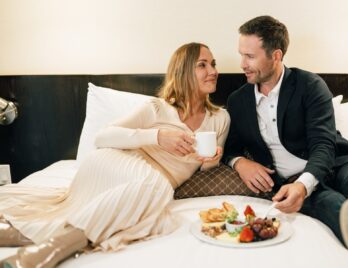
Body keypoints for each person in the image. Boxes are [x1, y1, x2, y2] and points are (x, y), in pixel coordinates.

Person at [0, 42, 230, 267]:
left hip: (146, 183)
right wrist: (157, 136)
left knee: (155, 190)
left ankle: (43, 243)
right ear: (183, 72)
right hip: (117, 162)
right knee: (157, 189)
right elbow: (102, 137)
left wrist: (213, 160)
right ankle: (49, 251)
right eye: (203, 65)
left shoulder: (220, 118)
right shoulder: (157, 108)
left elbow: (205, 167)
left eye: (213, 64)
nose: (213, 71)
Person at [223, 15, 348, 268]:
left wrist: (305, 184)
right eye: (241, 54)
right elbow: (229, 148)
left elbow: (323, 144)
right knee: (334, 206)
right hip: (288, 182)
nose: (242, 63)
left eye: (250, 57)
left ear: (276, 55)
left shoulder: (310, 85)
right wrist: (239, 162)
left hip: (340, 162)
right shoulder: (237, 100)